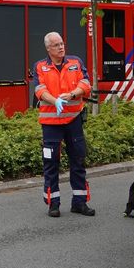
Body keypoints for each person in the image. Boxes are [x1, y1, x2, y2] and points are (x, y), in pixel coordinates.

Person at [33, 31, 94, 218]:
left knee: (78, 159)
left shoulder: (75, 62)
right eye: (56, 45)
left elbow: (85, 84)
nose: (61, 47)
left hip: (73, 120)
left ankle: (79, 202)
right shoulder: (40, 66)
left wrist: (72, 94)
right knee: (51, 162)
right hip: (50, 123)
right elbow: (39, 90)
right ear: (48, 49)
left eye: (62, 43)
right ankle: (53, 203)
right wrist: (55, 101)